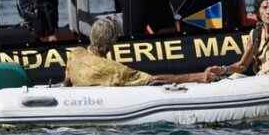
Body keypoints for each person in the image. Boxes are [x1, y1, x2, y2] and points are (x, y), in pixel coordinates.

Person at [64, 18, 221, 87]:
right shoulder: (116, 70)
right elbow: (154, 80)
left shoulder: (75, 54)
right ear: (112, 43)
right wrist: (198, 76)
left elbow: (66, 82)